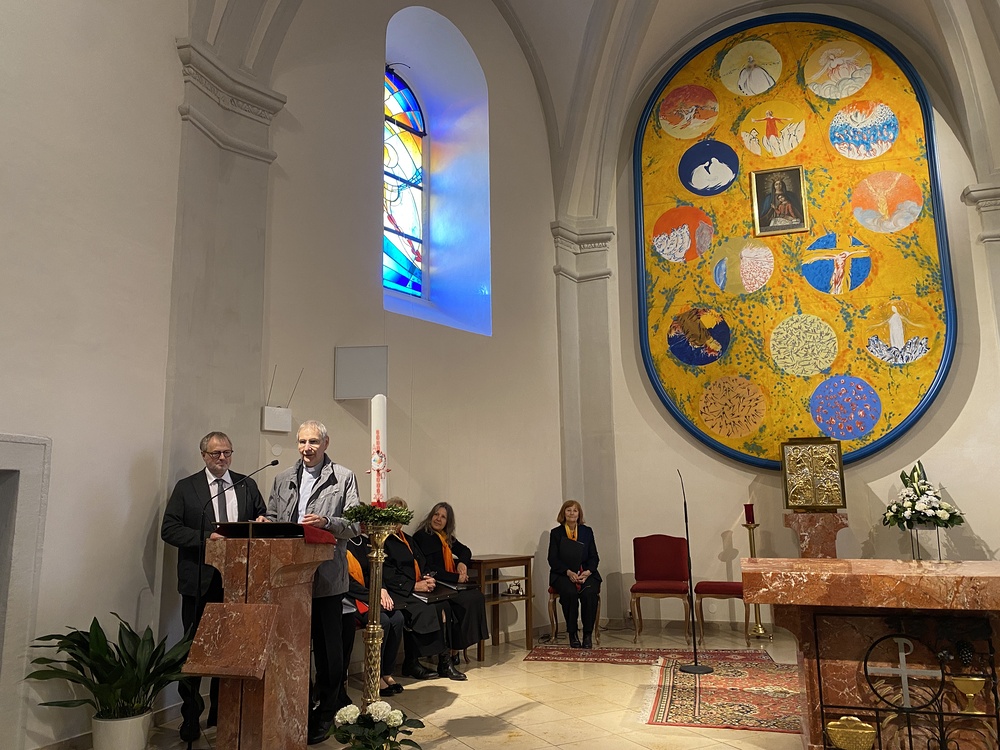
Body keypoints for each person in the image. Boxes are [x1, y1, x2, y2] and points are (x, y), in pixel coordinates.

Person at [160, 431, 266, 744]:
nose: (222, 458)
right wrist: (206, 538)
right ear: (204, 455)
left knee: (230, 651)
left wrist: (263, 520)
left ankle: (223, 713)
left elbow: (262, 514)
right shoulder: (187, 487)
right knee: (194, 650)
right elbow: (169, 529)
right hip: (199, 582)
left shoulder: (246, 484)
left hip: (237, 582)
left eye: (227, 453)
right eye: (216, 453)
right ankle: (191, 716)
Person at [264, 420, 360, 745]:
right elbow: (274, 518)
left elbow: (355, 525)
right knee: (291, 649)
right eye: (302, 441)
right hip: (288, 577)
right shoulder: (282, 478)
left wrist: (326, 521)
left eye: (313, 441)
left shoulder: (343, 478)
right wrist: (265, 521)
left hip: (326, 577)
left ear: (326, 443)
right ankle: (298, 708)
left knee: (328, 651)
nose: (307, 448)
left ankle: (327, 710)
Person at [382, 497, 467, 681]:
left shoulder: (407, 539)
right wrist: (413, 585)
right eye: (394, 514)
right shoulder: (383, 541)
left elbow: (423, 562)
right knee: (425, 610)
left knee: (443, 606)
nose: (397, 520)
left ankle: (444, 662)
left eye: (401, 515)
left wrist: (428, 577)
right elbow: (387, 573)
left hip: (416, 588)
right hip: (399, 591)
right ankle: (412, 662)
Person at [413, 502, 489, 663]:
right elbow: (429, 567)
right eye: (436, 514)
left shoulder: (446, 537)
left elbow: (465, 551)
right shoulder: (422, 536)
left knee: (476, 597)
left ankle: (456, 649)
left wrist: (462, 563)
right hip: (436, 584)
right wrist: (456, 578)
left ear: (448, 522)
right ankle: (453, 651)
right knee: (463, 602)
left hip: (450, 583)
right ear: (431, 516)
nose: (438, 519)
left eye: (443, 517)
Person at [344, 535, 405, 696]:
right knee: (382, 620)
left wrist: (382, 589)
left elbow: (377, 570)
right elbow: (347, 582)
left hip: (372, 593)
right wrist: (373, 595)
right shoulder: (342, 543)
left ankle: (386, 672)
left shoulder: (366, 542)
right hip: (353, 597)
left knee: (398, 618)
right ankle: (373, 675)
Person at [548, 500, 601, 649]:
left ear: (579, 514)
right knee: (569, 593)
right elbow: (552, 559)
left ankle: (588, 634)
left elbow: (594, 556)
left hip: (586, 572)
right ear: (563, 513)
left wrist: (588, 572)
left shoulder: (587, 531)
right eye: (568, 510)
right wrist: (568, 572)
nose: (572, 513)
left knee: (589, 594)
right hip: (563, 573)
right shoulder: (556, 533)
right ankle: (572, 633)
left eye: (575, 510)